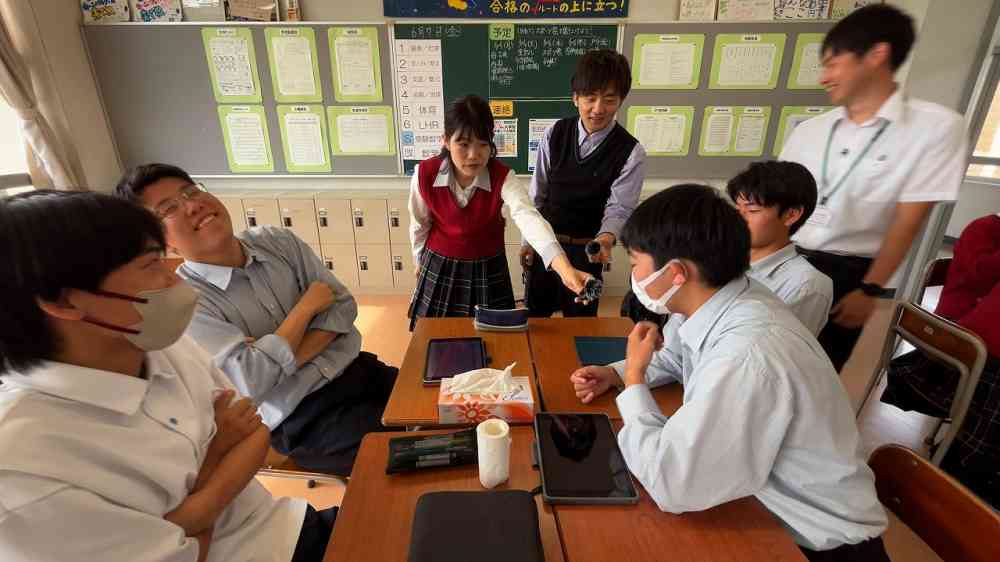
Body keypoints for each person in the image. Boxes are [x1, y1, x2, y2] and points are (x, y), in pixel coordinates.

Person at [0, 190, 335, 562]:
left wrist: (187, 515)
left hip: (286, 527)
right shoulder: (23, 469)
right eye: (150, 266)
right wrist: (215, 458)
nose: (176, 282)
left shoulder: (156, 344)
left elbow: (254, 434)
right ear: (64, 301)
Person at [568, 185, 889, 561]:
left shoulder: (747, 353)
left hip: (812, 543)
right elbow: (676, 359)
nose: (633, 274)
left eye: (636, 262)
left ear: (675, 273)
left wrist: (636, 380)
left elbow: (673, 484)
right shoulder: (727, 298)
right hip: (760, 503)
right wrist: (617, 373)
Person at [115, 164, 397, 476]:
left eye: (191, 191)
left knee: (436, 406)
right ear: (162, 243)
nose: (193, 205)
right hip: (303, 416)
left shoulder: (277, 241)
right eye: (169, 208)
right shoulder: (187, 301)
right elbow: (250, 381)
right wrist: (305, 309)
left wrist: (274, 356)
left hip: (357, 369)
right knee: (417, 457)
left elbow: (342, 305)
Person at [780, 4, 968, 371]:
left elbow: (908, 220)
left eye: (833, 64)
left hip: (850, 273)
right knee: (761, 361)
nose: (824, 78)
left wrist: (869, 289)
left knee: (816, 372)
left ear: (877, 55)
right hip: (786, 259)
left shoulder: (935, 127)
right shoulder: (810, 130)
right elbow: (775, 202)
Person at [408, 95, 593, 329]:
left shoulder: (503, 177)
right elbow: (420, 224)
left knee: (494, 335)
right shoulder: (424, 174)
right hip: (439, 265)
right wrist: (419, 260)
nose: (474, 154)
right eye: (463, 144)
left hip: (488, 268)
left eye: (483, 144)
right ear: (445, 140)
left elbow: (529, 218)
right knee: (437, 333)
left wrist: (565, 270)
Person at [882, 213, 1000, 506]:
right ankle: (966, 465)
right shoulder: (984, 228)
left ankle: (969, 456)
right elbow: (977, 278)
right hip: (953, 328)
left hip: (977, 331)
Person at [523, 48, 647, 317]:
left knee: (582, 322)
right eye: (590, 98)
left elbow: (619, 208)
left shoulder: (631, 151)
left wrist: (605, 239)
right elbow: (537, 195)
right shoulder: (554, 134)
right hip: (546, 246)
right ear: (575, 98)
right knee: (535, 318)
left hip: (588, 254)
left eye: (609, 99)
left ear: (621, 100)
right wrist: (527, 241)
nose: (598, 109)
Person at [727, 161, 834, 336]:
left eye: (752, 210)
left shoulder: (806, 284)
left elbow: (768, 346)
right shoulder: (722, 261)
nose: (738, 218)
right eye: (737, 208)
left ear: (791, 215)